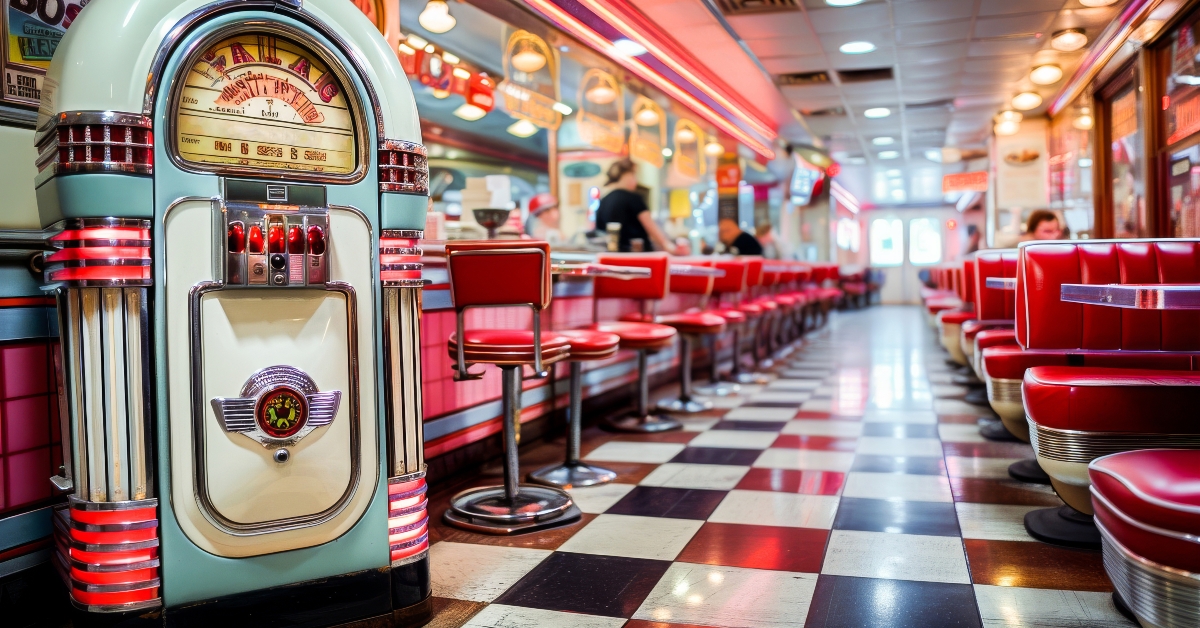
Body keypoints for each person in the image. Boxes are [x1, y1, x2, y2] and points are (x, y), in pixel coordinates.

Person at [595, 159, 678, 254]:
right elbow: (653, 230)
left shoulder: (603, 201)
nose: (636, 180)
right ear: (626, 175)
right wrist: (671, 248)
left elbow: (599, 230)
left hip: (613, 255)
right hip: (637, 257)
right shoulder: (633, 198)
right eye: (634, 174)